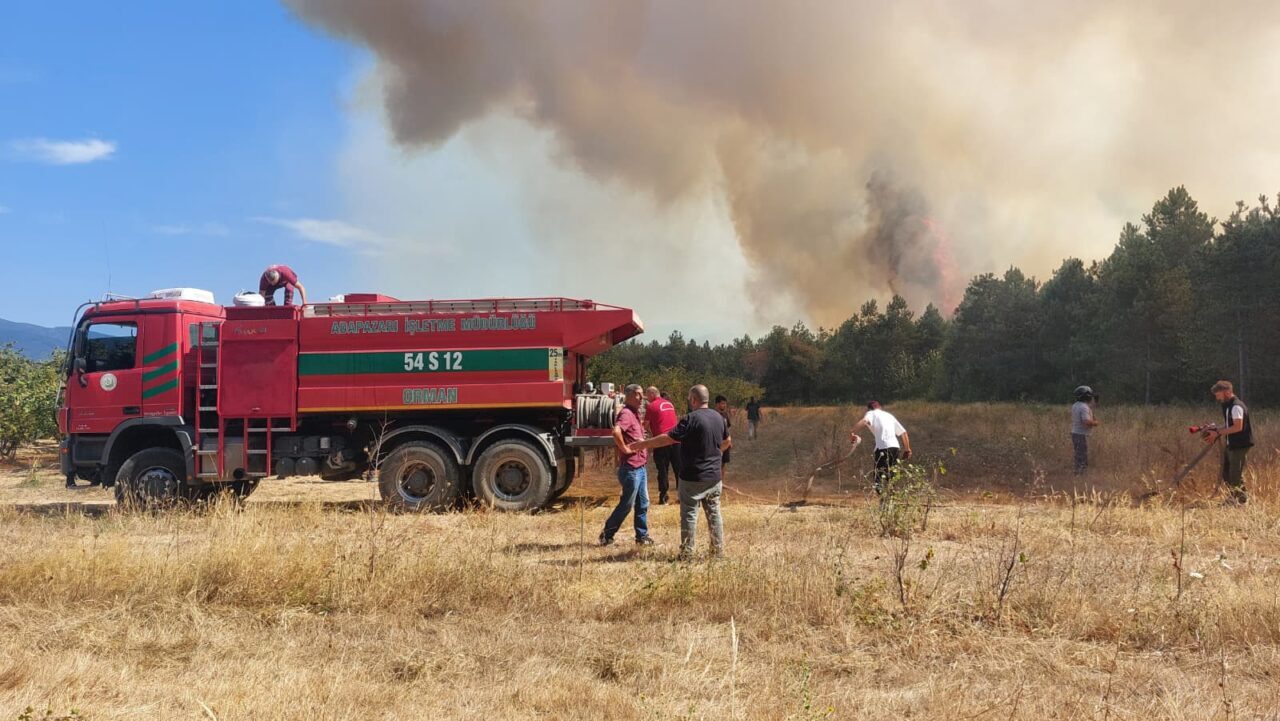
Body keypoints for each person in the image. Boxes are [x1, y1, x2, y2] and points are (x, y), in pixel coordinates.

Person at [631, 385, 731, 559]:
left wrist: (642, 444)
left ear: (693, 399)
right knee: (714, 514)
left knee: (689, 515)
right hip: (714, 477)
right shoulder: (719, 417)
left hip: (692, 477)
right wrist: (714, 454)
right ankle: (717, 553)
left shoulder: (690, 419)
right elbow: (727, 440)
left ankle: (686, 554)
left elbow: (668, 438)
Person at [599, 384, 655, 546]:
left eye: (642, 394)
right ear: (628, 395)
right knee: (627, 504)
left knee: (643, 503)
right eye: (637, 394)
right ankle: (607, 535)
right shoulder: (626, 414)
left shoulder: (635, 413)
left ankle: (642, 537)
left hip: (640, 467)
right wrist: (624, 448)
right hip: (631, 469)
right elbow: (616, 431)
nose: (641, 398)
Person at [1205, 380, 1252, 505]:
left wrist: (1218, 433)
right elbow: (1229, 425)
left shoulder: (1236, 406)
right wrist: (1215, 429)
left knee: (1235, 474)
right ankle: (1236, 497)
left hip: (1239, 445)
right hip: (1232, 444)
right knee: (1226, 471)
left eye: (1218, 395)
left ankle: (1241, 501)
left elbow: (1237, 427)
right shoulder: (1228, 406)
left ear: (1227, 392)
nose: (1217, 398)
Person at [849, 400, 912, 494]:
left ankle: (883, 498)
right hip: (895, 447)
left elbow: (865, 421)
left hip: (882, 448)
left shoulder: (871, 413)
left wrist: (852, 432)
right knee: (891, 476)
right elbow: (903, 432)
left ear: (869, 409)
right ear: (880, 407)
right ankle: (892, 497)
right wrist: (907, 449)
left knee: (878, 478)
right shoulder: (889, 416)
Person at [644, 386, 681, 505]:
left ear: (652, 394)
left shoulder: (651, 406)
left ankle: (664, 497)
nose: (646, 398)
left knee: (663, 470)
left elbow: (645, 425)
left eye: (647, 395)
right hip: (676, 440)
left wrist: (648, 436)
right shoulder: (669, 404)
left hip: (662, 441)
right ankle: (682, 496)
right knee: (679, 470)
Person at [1070, 385, 1101, 474]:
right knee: (1082, 456)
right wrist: (1095, 423)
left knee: (1079, 454)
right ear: (1086, 396)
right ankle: (1080, 475)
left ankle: (1079, 472)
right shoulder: (1084, 407)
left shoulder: (1075, 405)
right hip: (1081, 435)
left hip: (1075, 433)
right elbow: (1086, 422)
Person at [714, 395, 732, 468]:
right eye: (722, 403)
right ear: (717, 404)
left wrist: (729, 441)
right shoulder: (712, 415)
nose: (724, 405)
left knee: (723, 464)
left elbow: (728, 428)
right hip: (716, 443)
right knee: (715, 464)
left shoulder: (725, 415)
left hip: (725, 442)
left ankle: (722, 476)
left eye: (725, 404)